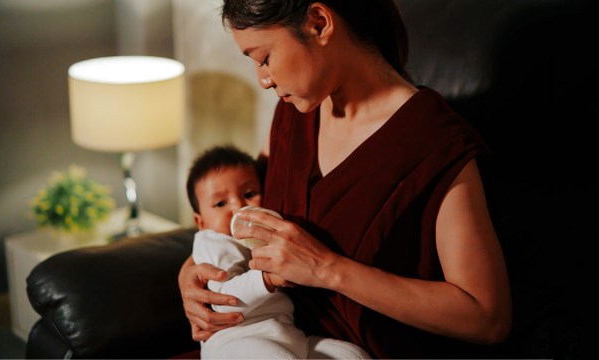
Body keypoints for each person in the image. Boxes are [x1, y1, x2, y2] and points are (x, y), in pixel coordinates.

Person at [178, 0, 512, 358]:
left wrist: (327, 269)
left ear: (319, 23)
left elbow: (487, 319)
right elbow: (240, 216)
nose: (263, 80)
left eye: (264, 58)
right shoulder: (294, 113)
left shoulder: (436, 144)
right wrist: (191, 274)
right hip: (263, 341)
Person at [186, 145, 370, 359]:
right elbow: (224, 301)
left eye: (249, 194)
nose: (238, 206)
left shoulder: (265, 236)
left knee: (351, 355)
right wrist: (267, 278)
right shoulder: (214, 243)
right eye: (220, 203)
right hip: (237, 341)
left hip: (288, 335)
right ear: (200, 222)